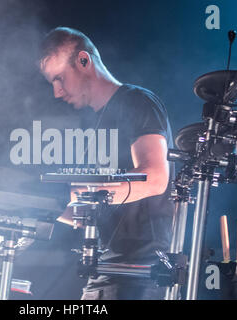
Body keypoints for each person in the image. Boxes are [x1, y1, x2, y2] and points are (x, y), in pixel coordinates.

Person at [38, 27, 175, 300]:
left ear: (84, 61)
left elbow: (156, 178)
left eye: (59, 78)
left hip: (141, 273)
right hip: (104, 271)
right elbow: (86, 215)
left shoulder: (138, 101)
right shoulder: (94, 124)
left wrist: (81, 194)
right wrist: (37, 206)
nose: (56, 92)